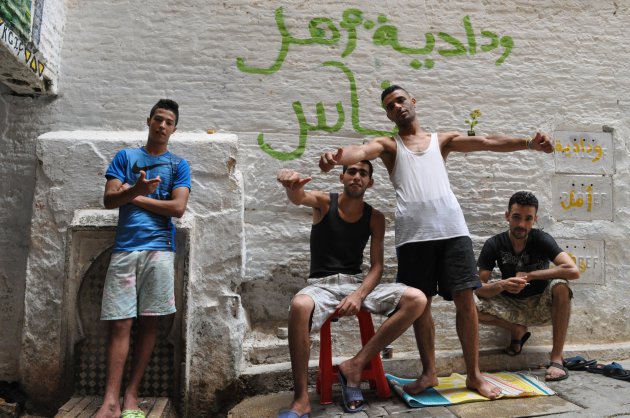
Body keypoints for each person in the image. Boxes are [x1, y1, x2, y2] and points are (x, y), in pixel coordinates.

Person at [318, 85, 554, 399]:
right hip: (413, 238)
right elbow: (359, 152)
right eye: (390, 106)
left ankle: (474, 375)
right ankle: (429, 374)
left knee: (466, 302)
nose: (397, 106)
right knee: (420, 306)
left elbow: (486, 141)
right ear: (388, 114)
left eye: (401, 100)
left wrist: (528, 143)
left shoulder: (440, 140)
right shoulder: (389, 145)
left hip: (452, 232)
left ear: (412, 102)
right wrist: (335, 157)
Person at [276, 162, 427, 416]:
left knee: (417, 299)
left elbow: (377, 267)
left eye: (363, 174)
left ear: (370, 182)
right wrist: (291, 186)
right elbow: (300, 197)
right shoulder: (325, 203)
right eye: (352, 172)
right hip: (321, 286)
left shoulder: (375, 218)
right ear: (342, 177)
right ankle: (300, 398)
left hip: (355, 284)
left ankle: (356, 365)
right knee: (300, 305)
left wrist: (358, 294)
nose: (357, 176)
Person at [95, 99, 191, 418]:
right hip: (125, 248)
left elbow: (178, 209)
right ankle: (110, 401)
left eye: (169, 122)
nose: (162, 126)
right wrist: (132, 190)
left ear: (174, 129)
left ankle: (131, 395)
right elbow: (110, 200)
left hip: (160, 249)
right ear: (148, 121)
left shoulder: (179, 165)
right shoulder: (126, 157)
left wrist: (135, 193)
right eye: (158, 119)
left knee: (150, 322)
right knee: (120, 323)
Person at [475, 191, 579, 381]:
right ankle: (516, 329)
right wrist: (502, 285)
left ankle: (556, 358)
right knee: (468, 302)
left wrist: (531, 275)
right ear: (507, 216)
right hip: (510, 305)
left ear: (535, 219)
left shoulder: (541, 239)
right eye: (516, 217)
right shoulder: (494, 244)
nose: (521, 224)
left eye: (528, 219)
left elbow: (573, 270)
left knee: (561, 286)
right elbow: (478, 286)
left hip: (541, 304)